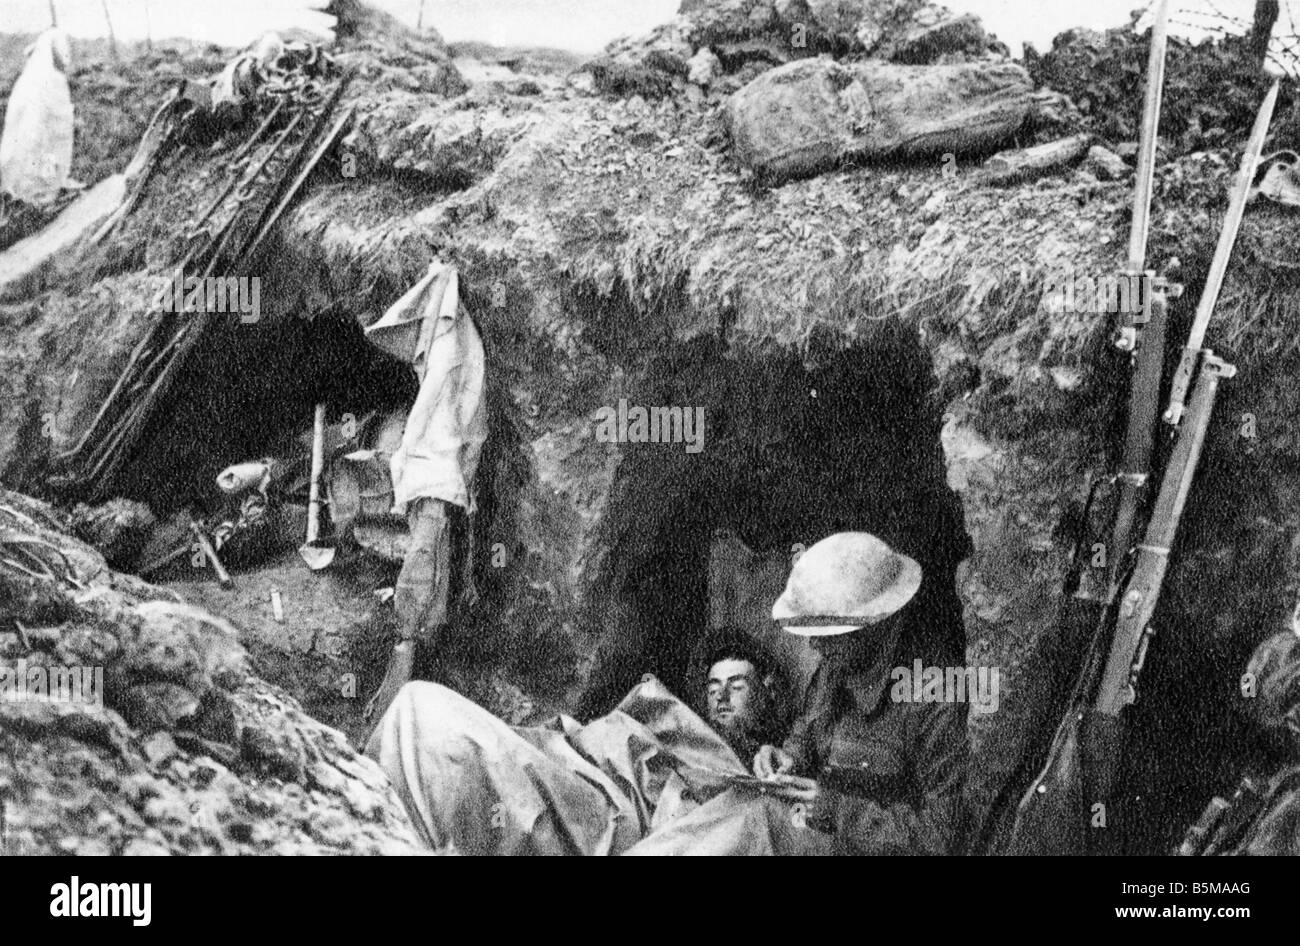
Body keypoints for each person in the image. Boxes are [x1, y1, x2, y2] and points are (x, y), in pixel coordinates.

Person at [624, 532, 970, 855]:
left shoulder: (937, 697)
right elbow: (807, 733)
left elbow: (943, 838)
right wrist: (786, 757)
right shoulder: (838, 666)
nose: (815, 645)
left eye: (830, 633)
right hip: (816, 830)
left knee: (748, 826)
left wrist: (836, 810)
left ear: (875, 625)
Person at [697, 627, 789, 765]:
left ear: (765, 694)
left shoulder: (783, 756)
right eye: (714, 689)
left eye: (736, 687)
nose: (722, 696)